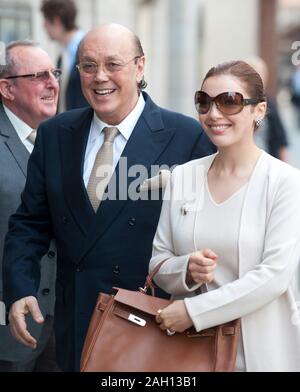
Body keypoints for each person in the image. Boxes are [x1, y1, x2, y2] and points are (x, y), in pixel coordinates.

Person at [2, 24, 214, 372]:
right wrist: (20, 287)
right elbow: (30, 223)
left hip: (151, 329)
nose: (100, 77)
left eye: (113, 64)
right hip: (76, 329)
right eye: (88, 66)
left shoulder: (186, 137)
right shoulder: (55, 134)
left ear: (140, 66)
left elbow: (202, 233)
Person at [149, 60, 300, 372]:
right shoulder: (183, 177)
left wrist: (193, 310)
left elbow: (273, 277)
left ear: (259, 110)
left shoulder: (285, 182)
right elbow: (158, 262)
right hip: (188, 355)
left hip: (262, 354)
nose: (213, 114)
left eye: (228, 101)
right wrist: (186, 270)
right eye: (204, 102)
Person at [0, 40, 60, 371]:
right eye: (39, 75)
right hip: (6, 332)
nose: (52, 83)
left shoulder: (67, 137)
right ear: (7, 88)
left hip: (62, 330)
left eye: (55, 73)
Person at [40, 0, 88, 112]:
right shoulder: (63, 55)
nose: (44, 25)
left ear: (56, 21)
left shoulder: (88, 49)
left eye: (45, 19)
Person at [245, 56, 289, 162]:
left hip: (266, 161)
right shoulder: (236, 103)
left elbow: (280, 139)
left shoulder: (270, 105)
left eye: (261, 75)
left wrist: (284, 169)